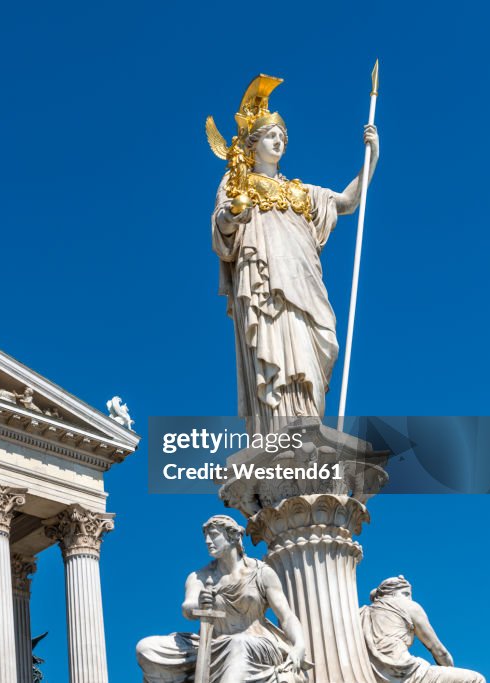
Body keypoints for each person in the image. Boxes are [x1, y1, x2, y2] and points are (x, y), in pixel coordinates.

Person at [210, 76, 379, 432]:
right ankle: (278, 427)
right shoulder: (238, 184)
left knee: (317, 343)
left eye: (282, 137)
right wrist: (232, 216)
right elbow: (222, 227)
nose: (279, 141)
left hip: (304, 279)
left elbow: (347, 202)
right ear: (253, 145)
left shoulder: (302, 192)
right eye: (272, 136)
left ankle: (308, 419)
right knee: (276, 350)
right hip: (266, 282)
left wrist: (371, 158)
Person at [136, 515, 308, 683]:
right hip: (211, 641)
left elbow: (286, 617)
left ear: (233, 537)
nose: (208, 541)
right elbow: (187, 607)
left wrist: (298, 645)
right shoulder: (199, 577)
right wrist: (200, 604)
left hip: (255, 642)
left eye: (214, 535)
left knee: (237, 644)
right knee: (146, 648)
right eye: (206, 536)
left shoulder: (262, 573)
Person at [360, 577, 485, 683]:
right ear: (400, 592)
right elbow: (439, 651)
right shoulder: (407, 605)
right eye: (407, 594)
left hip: (368, 673)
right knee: (476, 679)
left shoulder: (361, 613)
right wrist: (449, 670)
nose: (410, 598)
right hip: (403, 672)